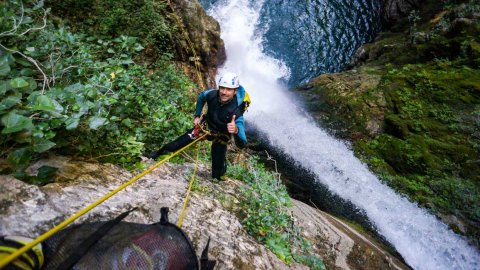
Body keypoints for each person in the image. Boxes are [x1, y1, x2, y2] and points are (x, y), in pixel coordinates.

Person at [149, 71, 248, 180]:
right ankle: (156, 154)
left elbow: (242, 143)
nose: (224, 92)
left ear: (235, 91)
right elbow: (201, 97)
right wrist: (197, 115)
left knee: (216, 174)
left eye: (229, 89)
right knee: (177, 144)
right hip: (206, 126)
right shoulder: (211, 94)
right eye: (222, 88)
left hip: (221, 135)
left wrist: (236, 130)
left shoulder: (237, 112)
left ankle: (221, 168)